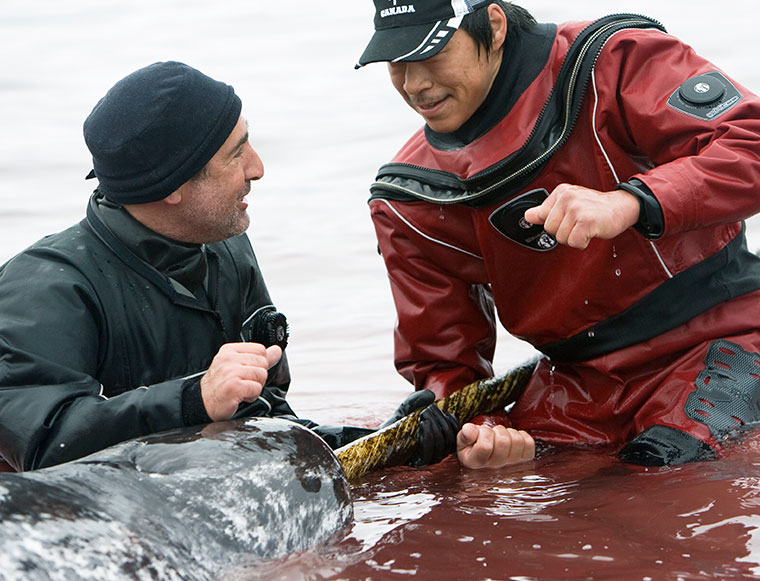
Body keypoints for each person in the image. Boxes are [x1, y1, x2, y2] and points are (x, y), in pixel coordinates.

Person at [355, 0, 760, 468]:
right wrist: (485, 433)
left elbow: (750, 141)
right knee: (491, 484)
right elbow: (445, 368)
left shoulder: (613, 59)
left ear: (494, 24)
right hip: (574, 385)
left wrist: (630, 202)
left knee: (659, 474)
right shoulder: (407, 197)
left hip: (719, 339)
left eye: (430, 54)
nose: (414, 84)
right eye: (397, 62)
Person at [0, 61, 450, 472]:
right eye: (236, 154)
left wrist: (387, 444)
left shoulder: (226, 248)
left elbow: (265, 419)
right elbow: (40, 444)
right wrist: (194, 399)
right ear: (172, 186)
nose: (257, 167)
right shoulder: (44, 288)